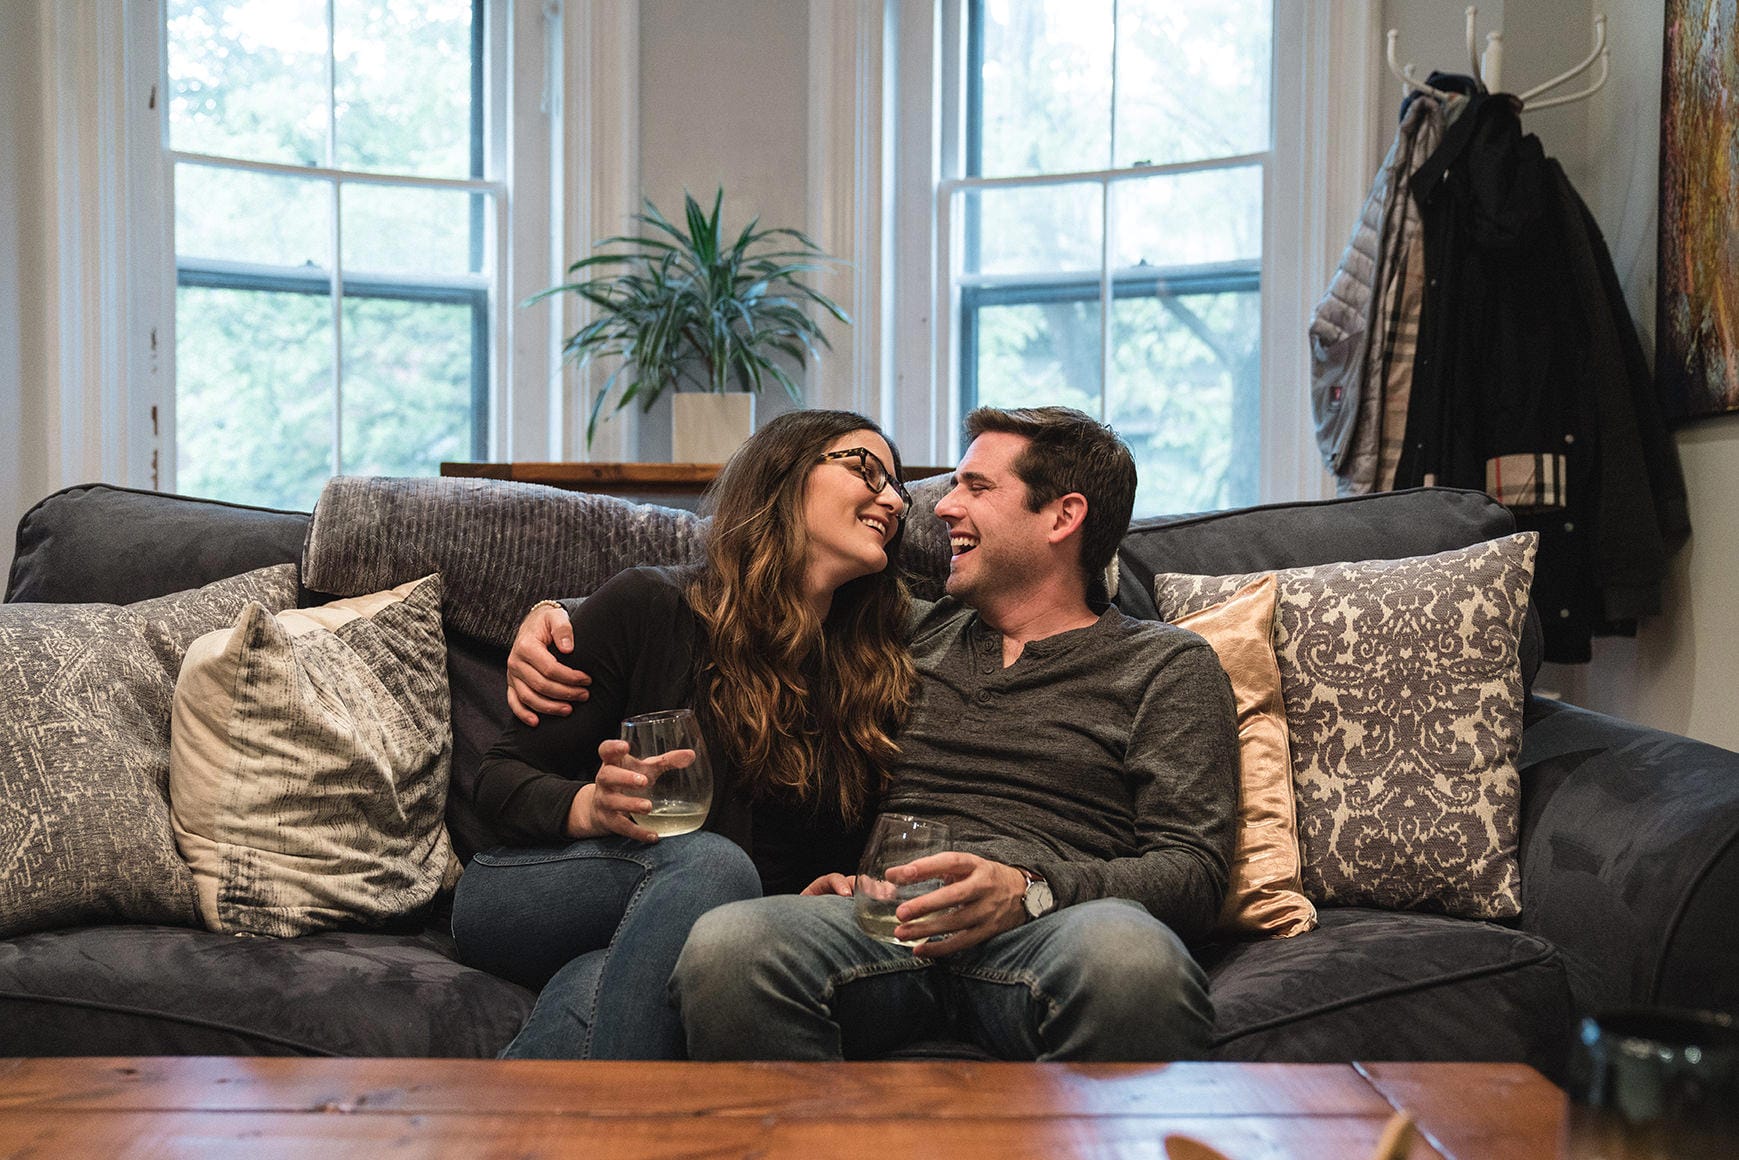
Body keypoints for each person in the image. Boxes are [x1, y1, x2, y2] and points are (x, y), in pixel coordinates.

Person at [509, 406, 1239, 1062]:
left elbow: (1192, 871)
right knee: (731, 943)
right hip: (878, 926)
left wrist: (1028, 891)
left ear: (1062, 516)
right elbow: (746, 596)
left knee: (1133, 961)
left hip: (1050, 932)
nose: (940, 506)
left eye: (975, 487)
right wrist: (563, 616)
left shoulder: (1166, 664)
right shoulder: (904, 632)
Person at [451, 408, 917, 1060]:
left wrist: (802, 903)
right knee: (712, 865)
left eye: (899, 487)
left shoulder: (877, 666)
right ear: (782, 474)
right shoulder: (652, 608)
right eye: (866, 469)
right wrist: (590, 806)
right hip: (535, 890)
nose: (892, 500)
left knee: (597, 980)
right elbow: (498, 781)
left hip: (696, 924)